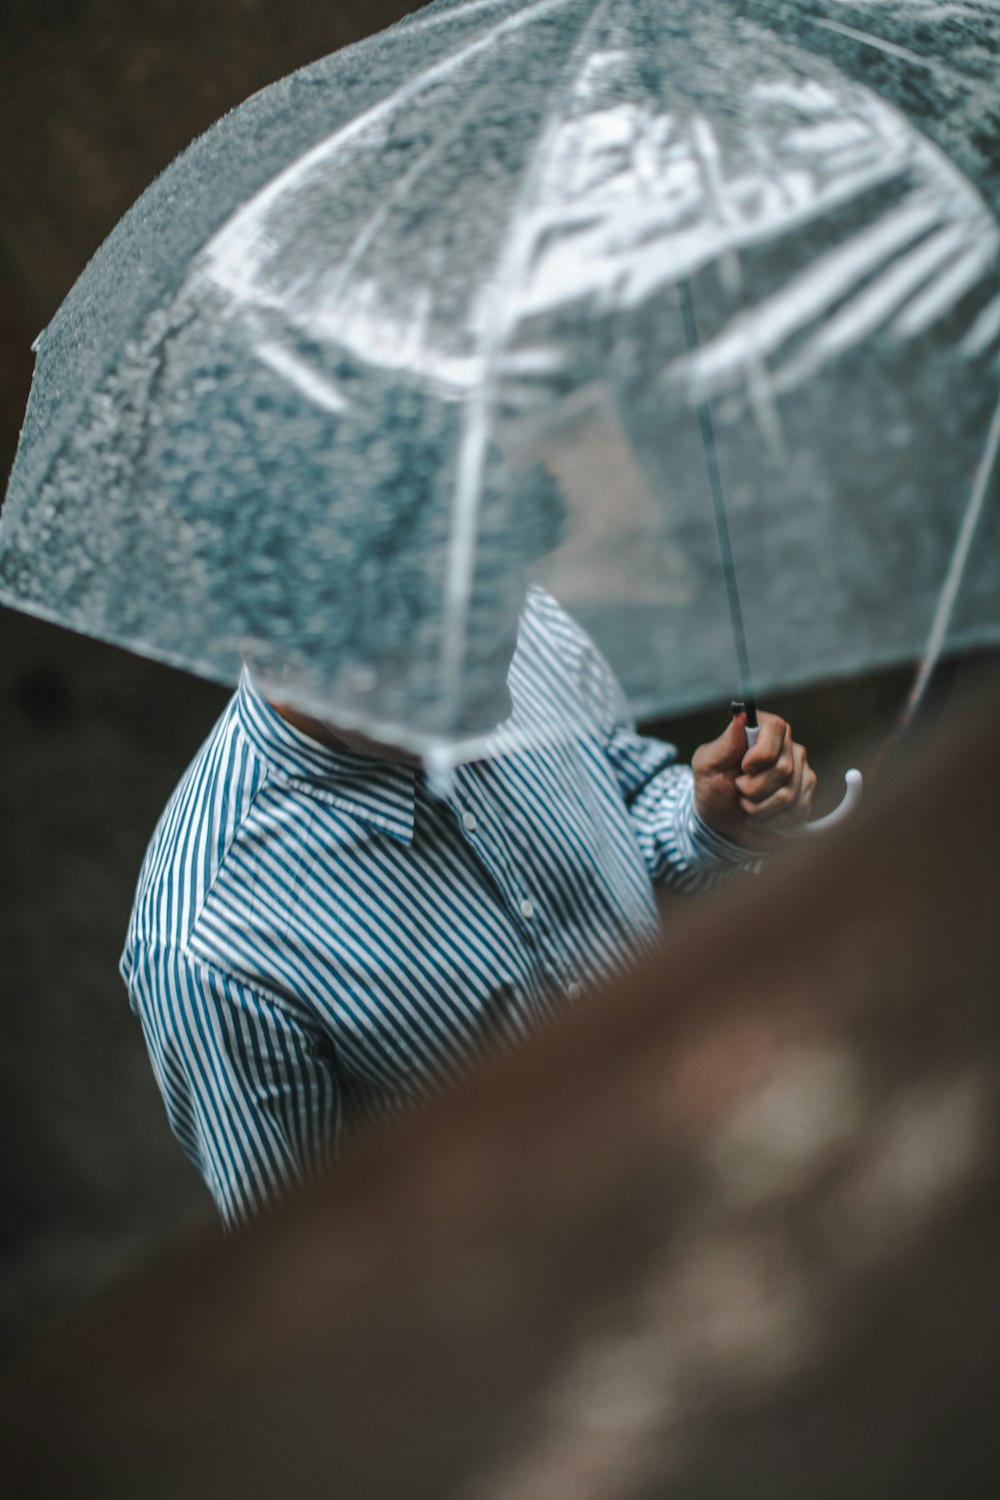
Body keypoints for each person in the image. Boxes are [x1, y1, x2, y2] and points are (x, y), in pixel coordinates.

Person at [121, 586, 816, 1226]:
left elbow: (630, 795)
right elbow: (317, 1266)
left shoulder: (519, 617)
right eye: (434, 669)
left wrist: (709, 821)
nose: (497, 691)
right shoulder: (208, 951)